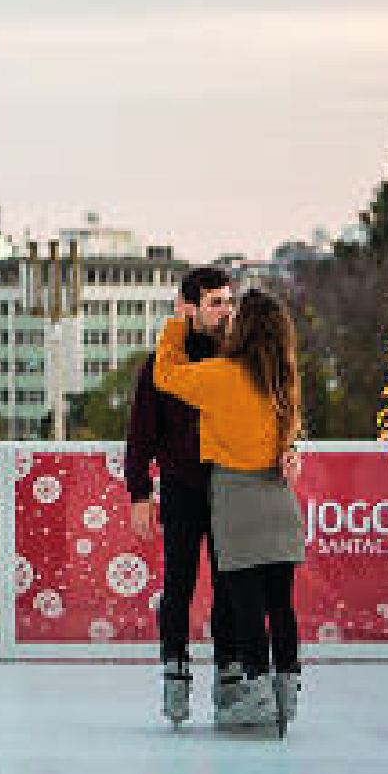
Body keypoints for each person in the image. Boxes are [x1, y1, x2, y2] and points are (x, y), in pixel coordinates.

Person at [145, 288, 307, 735]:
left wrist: (178, 323)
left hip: (237, 500)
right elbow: (287, 440)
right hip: (279, 500)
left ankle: (254, 694)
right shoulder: (283, 379)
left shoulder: (221, 375)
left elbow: (166, 376)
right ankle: (285, 693)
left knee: (247, 605)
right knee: (282, 605)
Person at [125, 265, 247, 727]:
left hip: (231, 485)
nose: (225, 311)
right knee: (178, 584)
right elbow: (141, 436)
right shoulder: (160, 366)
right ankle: (175, 670)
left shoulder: (239, 359)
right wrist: (140, 492)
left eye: (228, 302)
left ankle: (229, 674)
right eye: (216, 302)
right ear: (188, 307)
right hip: (180, 487)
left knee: (231, 584)